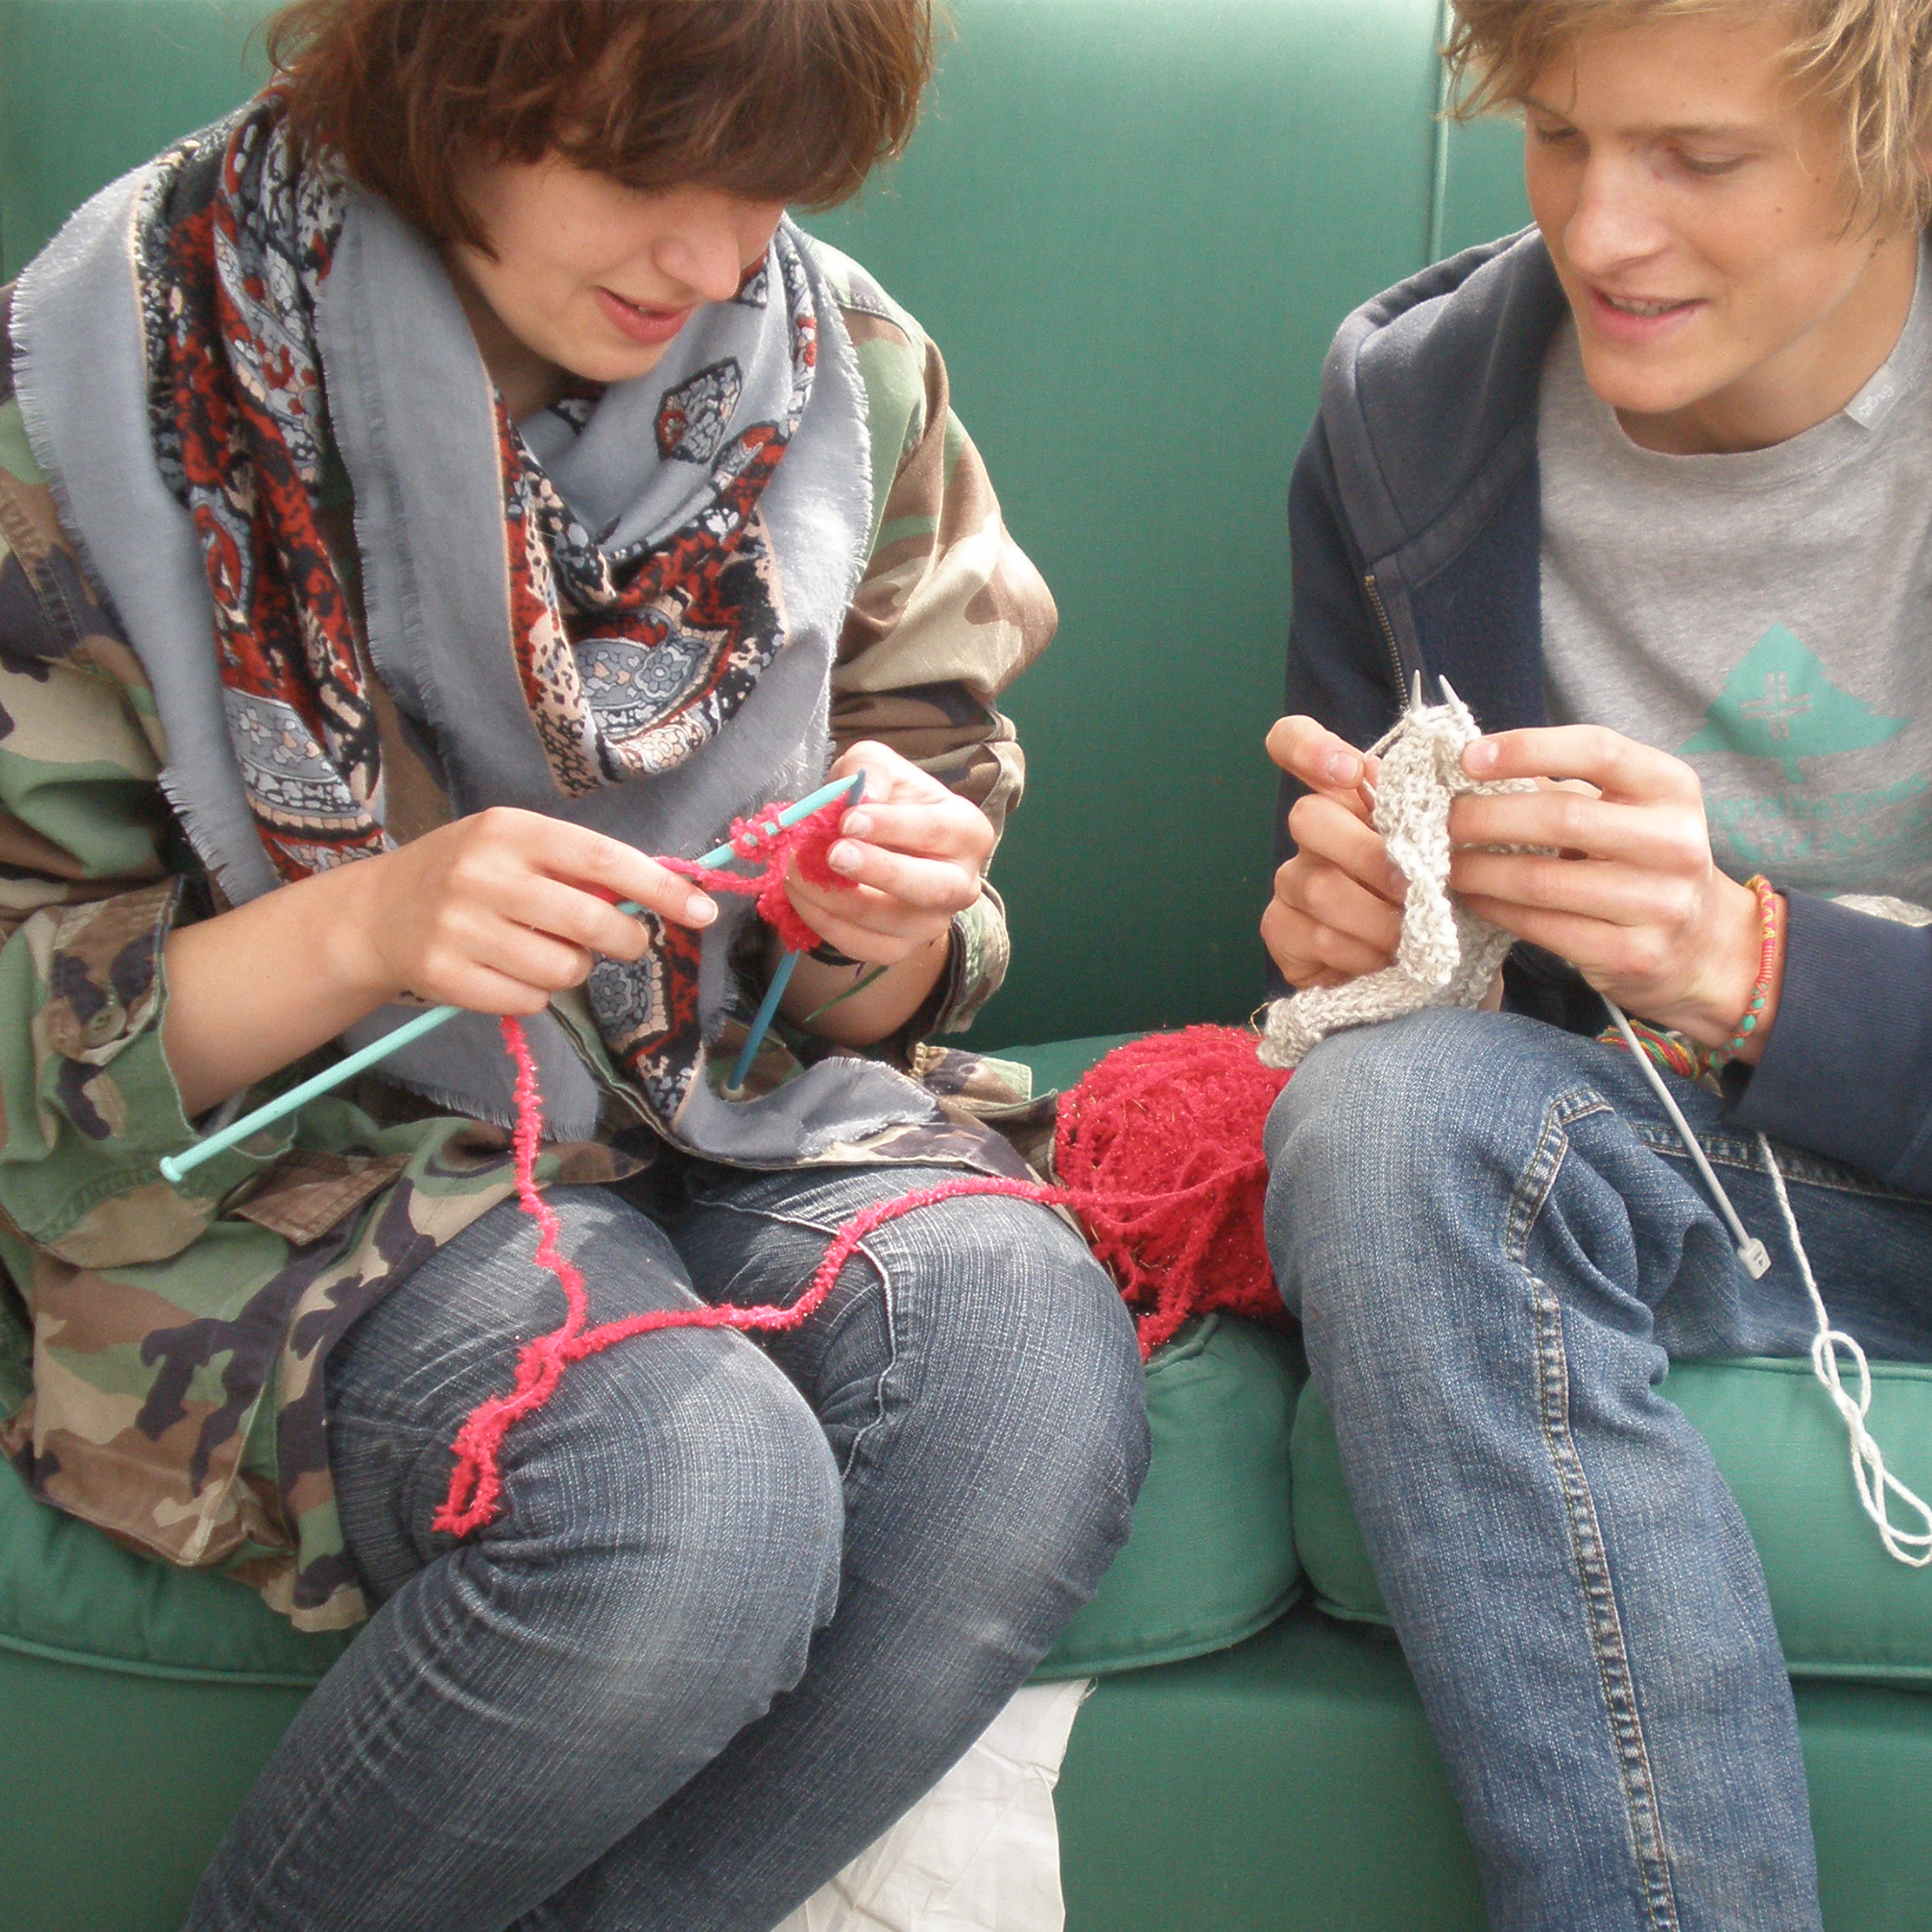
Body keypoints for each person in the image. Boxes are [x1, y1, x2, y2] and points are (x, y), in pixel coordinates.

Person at [0, 3, 1149, 1927]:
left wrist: (885, 922)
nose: (712, 259)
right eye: (637, 169)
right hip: (303, 1173)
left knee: (1020, 1386)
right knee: (683, 1509)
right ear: (445, 81)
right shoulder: (101, 397)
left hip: (749, 1112)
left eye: (768, 180)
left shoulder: (835, 367)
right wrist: (359, 926)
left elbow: (916, 945)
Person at [1260, 2, 1932, 1927]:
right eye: (1558, 137)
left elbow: (1733, 984)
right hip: (1645, 1179)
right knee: (1389, 1120)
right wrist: (1369, 948)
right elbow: (1420, 1024)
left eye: (1699, 160)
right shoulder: (1414, 417)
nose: (1602, 231)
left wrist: (1749, 963)